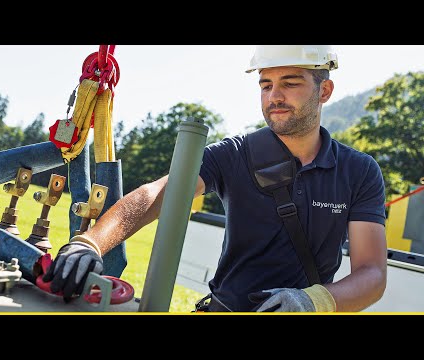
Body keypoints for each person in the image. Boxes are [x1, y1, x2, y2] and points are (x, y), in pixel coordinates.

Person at [42, 45, 388, 312]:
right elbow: (158, 193)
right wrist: (90, 242)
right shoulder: (236, 154)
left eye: (290, 83)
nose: (274, 96)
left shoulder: (358, 171)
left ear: (324, 91)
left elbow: (372, 273)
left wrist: (312, 302)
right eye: (265, 84)